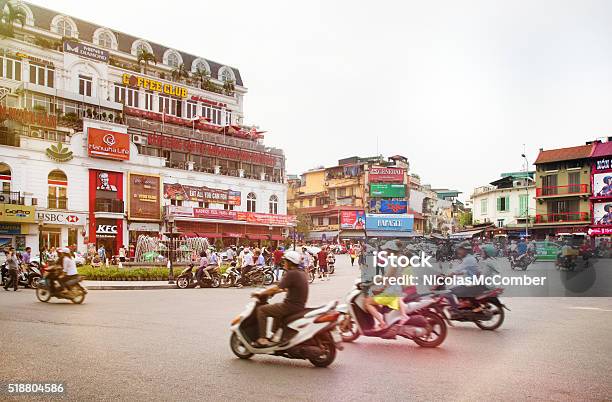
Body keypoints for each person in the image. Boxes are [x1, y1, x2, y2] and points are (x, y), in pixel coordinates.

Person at [254, 250, 308, 347]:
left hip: (291, 306)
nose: (284, 263)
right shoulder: (301, 273)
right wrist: (275, 292)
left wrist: (261, 294)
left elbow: (277, 287)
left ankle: (262, 339)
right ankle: (275, 336)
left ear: (290, 263)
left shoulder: (292, 274)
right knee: (276, 309)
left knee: (261, 310)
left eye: (285, 261)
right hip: (298, 306)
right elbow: (286, 288)